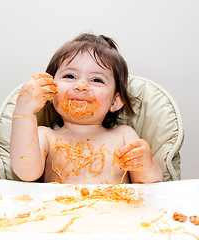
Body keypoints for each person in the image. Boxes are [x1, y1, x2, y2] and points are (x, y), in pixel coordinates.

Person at [10, 33, 163, 184]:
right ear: (50, 91)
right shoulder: (45, 137)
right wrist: (24, 111)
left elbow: (149, 187)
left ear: (115, 101)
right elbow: (26, 173)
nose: (81, 86)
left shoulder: (123, 136)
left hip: (115, 208)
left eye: (96, 80)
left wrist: (146, 165)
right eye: (70, 76)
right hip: (58, 209)